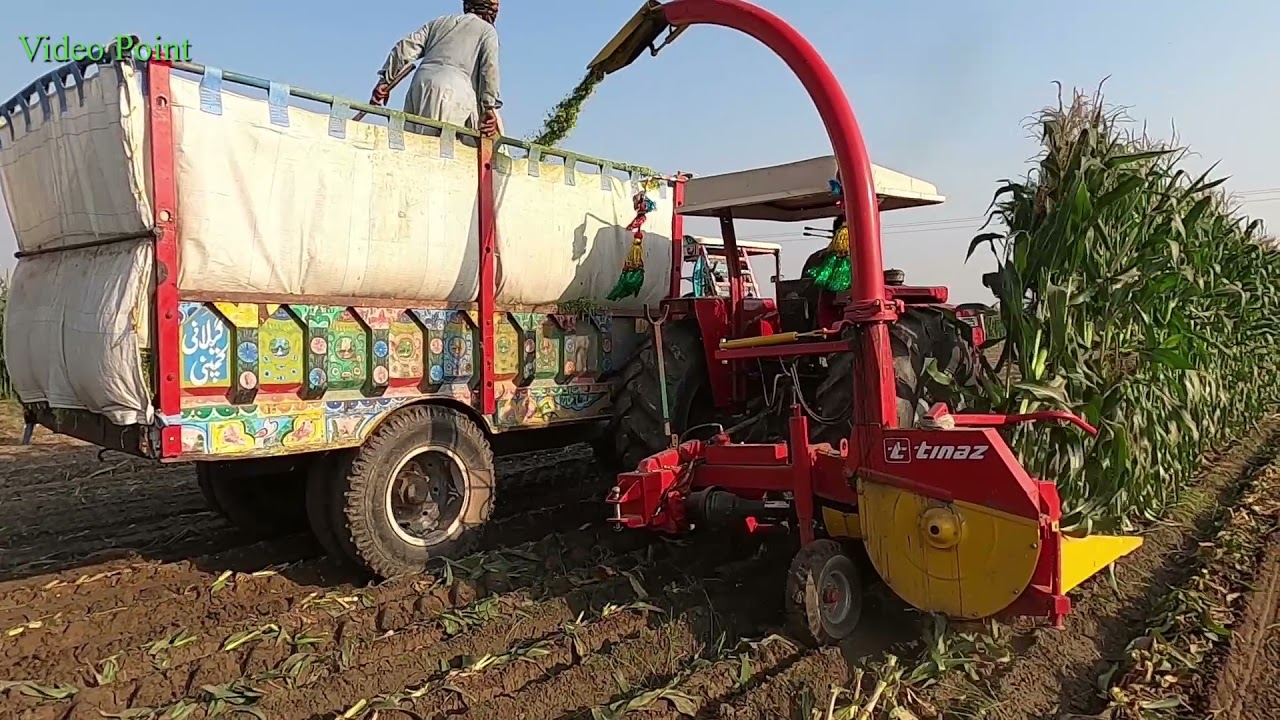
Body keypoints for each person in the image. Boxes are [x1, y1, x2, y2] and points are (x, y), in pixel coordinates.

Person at [370, 0, 503, 137]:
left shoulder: (439, 23)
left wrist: (385, 81)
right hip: (452, 92)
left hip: (419, 84)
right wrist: (489, 108)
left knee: (411, 145)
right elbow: (489, 71)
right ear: (492, 12)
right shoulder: (487, 31)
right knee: (440, 151)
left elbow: (404, 48)